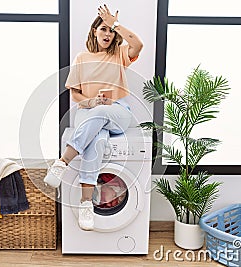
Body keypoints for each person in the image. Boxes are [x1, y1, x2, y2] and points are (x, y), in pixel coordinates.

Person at [43, 4, 143, 231]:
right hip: (88, 112)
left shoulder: (119, 54)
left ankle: (62, 163)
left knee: (100, 113)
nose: (107, 34)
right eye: (103, 29)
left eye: (111, 31)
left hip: (118, 111)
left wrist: (115, 23)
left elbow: (138, 44)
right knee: (96, 142)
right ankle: (86, 204)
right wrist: (90, 102)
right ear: (94, 32)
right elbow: (75, 93)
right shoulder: (82, 57)